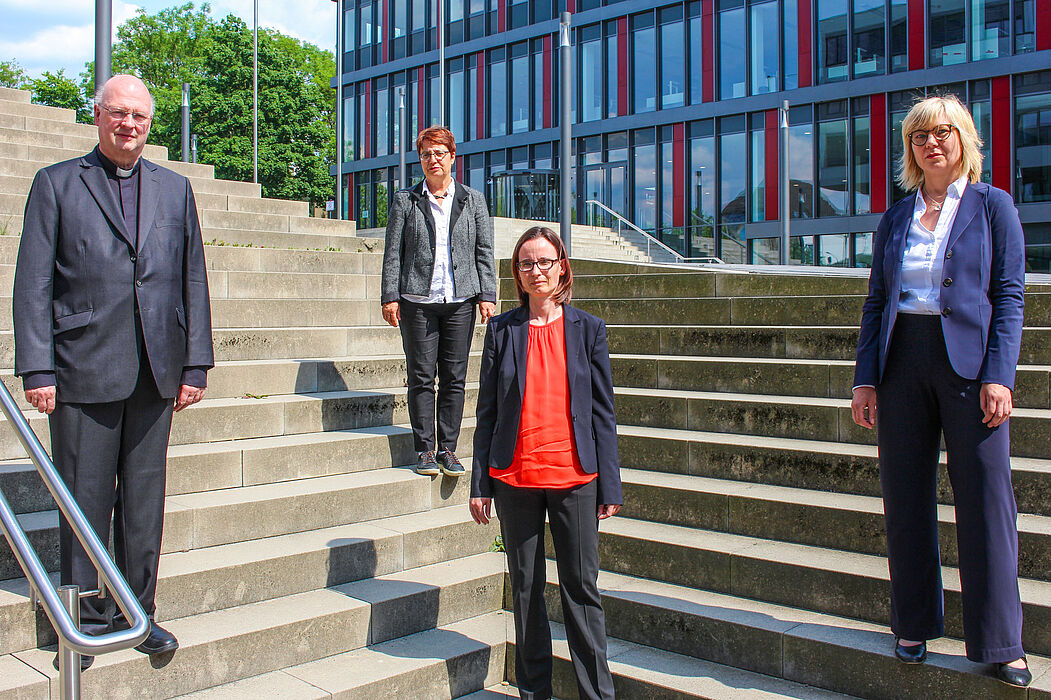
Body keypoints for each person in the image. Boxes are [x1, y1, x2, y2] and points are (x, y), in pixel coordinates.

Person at [13, 75, 214, 669]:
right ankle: (82, 621)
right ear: (98, 115)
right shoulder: (56, 184)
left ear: (150, 124)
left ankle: (137, 612)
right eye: (119, 113)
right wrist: (37, 368)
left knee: (144, 503)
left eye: (140, 117)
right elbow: (33, 281)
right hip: (82, 367)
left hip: (156, 368)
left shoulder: (175, 189)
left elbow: (193, 278)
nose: (129, 125)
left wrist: (195, 362)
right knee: (84, 501)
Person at [851, 94, 1029, 687]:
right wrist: (866, 378)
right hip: (902, 363)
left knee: (986, 502)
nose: (932, 143)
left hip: (971, 369)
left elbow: (1009, 296)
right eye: (920, 136)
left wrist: (1000, 375)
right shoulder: (897, 217)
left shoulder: (993, 206)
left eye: (943, 132)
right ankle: (913, 622)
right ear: (910, 149)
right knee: (905, 497)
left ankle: (1001, 642)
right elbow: (878, 301)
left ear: (964, 140)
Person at [471, 227, 622, 700]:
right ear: (516, 274)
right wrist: (480, 484)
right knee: (525, 592)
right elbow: (487, 412)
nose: (536, 270)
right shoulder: (501, 331)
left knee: (582, 592)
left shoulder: (589, 329)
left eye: (544, 261)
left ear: (562, 267)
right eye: (525, 263)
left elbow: (603, 412)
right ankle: (534, 693)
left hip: (575, 479)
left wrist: (610, 484)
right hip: (514, 479)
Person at [380, 126, 497, 478]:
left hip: (460, 299)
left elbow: (484, 250)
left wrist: (487, 295)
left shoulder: (473, 200)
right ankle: (425, 450)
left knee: (454, 378)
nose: (433, 160)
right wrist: (389, 296)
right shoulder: (405, 200)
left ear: (452, 157)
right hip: (417, 300)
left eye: (439, 153)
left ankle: (448, 448)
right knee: (420, 376)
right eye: (426, 154)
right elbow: (393, 253)